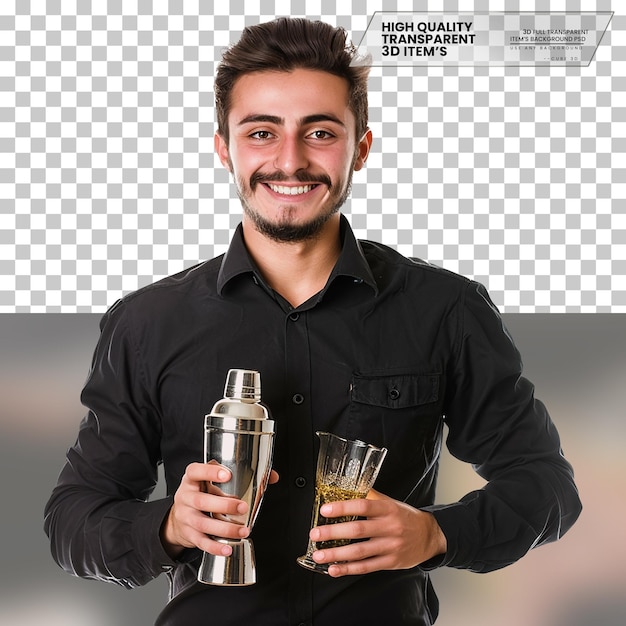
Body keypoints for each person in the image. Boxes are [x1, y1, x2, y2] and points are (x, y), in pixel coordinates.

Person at [44, 17, 582, 626]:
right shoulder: (147, 323)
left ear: (362, 146)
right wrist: (167, 524)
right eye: (262, 132)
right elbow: (72, 520)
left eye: (320, 132)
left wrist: (436, 534)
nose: (290, 161)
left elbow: (547, 487)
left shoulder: (445, 310)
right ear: (225, 147)